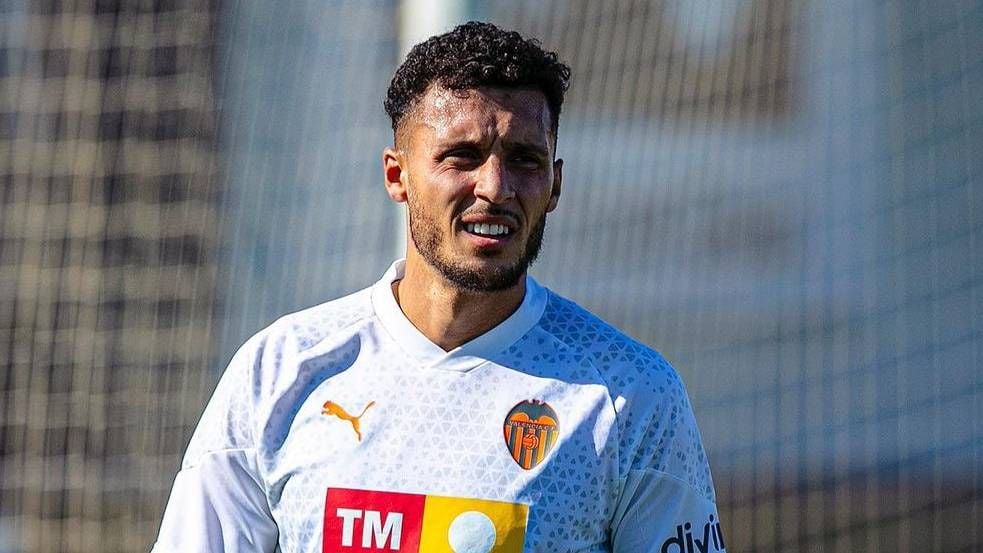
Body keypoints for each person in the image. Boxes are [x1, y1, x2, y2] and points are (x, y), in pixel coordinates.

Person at [153, 21, 726, 553]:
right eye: (462, 157)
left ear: (555, 184)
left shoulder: (630, 393)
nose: (495, 187)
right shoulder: (279, 373)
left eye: (525, 160)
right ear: (397, 175)